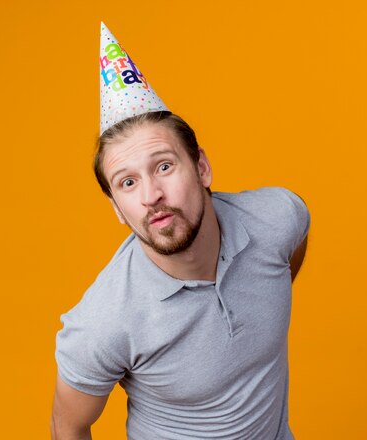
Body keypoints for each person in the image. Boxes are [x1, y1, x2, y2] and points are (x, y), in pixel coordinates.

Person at [51, 24, 310, 440]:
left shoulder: (275, 219)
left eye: (164, 166)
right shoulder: (105, 321)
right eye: (128, 183)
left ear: (202, 168)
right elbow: (69, 425)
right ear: (117, 208)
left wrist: (262, 284)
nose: (152, 195)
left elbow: (289, 248)